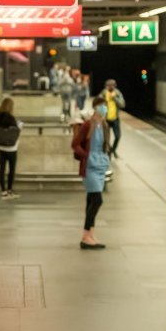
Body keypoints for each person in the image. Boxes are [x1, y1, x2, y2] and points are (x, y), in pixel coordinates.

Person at [71, 98, 111, 249]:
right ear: (95, 107)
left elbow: (105, 145)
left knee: (91, 200)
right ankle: (86, 235)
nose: (104, 109)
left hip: (100, 165)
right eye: (101, 106)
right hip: (90, 167)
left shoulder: (104, 125)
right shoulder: (88, 124)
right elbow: (75, 144)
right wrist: (86, 155)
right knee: (97, 200)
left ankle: (89, 235)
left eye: (105, 107)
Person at [0, 98, 24, 199]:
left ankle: (3, 191)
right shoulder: (10, 117)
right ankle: (10, 189)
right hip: (11, 148)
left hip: (0, 147)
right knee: (11, 169)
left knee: (1, 169)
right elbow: (15, 129)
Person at [98, 79, 125, 158]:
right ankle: (109, 152)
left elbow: (123, 104)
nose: (110, 87)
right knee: (106, 138)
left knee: (118, 136)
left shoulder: (117, 93)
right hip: (106, 120)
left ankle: (113, 150)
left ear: (115, 86)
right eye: (108, 85)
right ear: (106, 86)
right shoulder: (103, 93)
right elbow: (97, 103)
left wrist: (115, 98)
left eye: (112, 85)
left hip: (115, 119)